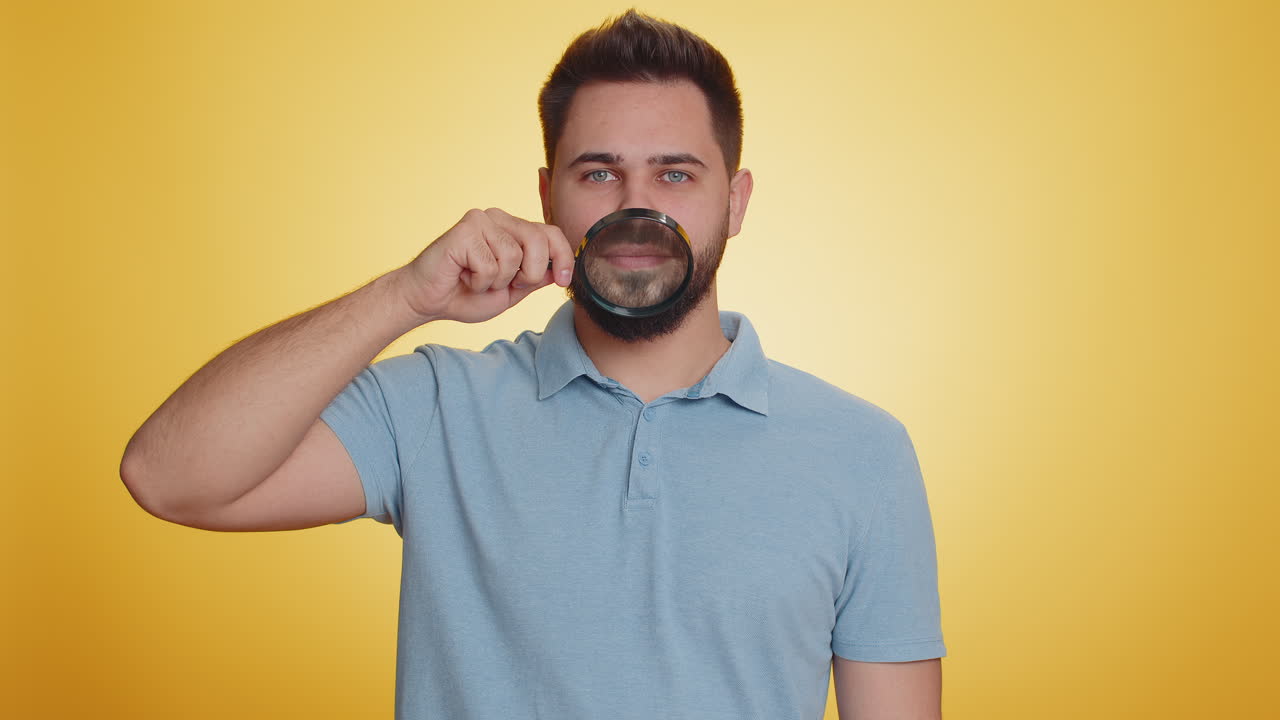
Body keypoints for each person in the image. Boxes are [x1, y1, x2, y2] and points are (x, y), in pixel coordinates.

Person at [120, 9, 946, 719]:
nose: (636, 206)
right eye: (600, 172)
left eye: (676, 172)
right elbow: (168, 476)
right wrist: (404, 296)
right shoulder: (436, 408)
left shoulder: (861, 454)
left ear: (735, 200)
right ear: (549, 196)